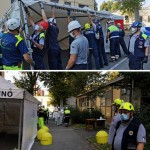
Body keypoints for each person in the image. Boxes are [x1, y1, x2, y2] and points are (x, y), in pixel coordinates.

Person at [40, 3, 62, 70]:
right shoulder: (56, 28)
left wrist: (42, 8)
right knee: (59, 64)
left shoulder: (51, 27)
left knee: (53, 65)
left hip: (52, 49)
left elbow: (45, 19)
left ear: (51, 23)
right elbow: (53, 18)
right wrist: (53, 8)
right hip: (57, 48)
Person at [24, 6, 47, 70]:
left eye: (39, 25)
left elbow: (41, 47)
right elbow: (32, 21)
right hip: (34, 52)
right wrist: (28, 13)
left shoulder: (41, 35)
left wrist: (31, 40)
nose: (37, 25)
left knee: (39, 67)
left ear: (42, 28)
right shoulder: (36, 31)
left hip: (38, 55)